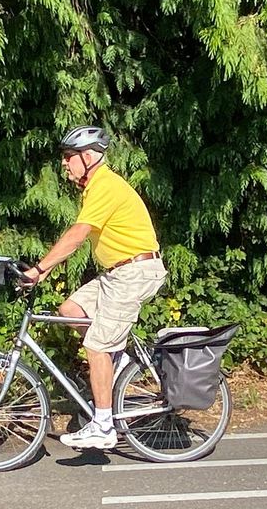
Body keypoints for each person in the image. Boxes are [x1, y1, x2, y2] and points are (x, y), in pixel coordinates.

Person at [22, 125, 168, 449]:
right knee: (70, 309)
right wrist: (43, 271)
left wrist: (40, 268)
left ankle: (103, 426)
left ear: (88, 157)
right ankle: (119, 362)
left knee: (97, 346)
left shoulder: (105, 185)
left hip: (135, 272)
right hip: (119, 273)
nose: (64, 163)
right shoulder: (95, 187)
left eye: (69, 157)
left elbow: (77, 234)